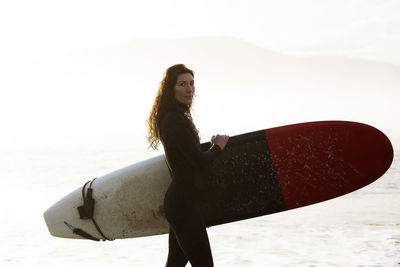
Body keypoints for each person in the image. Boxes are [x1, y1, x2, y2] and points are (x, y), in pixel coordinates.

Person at [147, 64, 229, 267]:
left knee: (174, 264)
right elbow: (198, 161)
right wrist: (218, 147)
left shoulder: (177, 118)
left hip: (183, 203)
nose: (189, 89)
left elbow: (188, 157)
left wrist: (210, 147)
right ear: (171, 89)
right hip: (183, 205)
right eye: (182, 84)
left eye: (192, 84)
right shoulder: (173, 120)